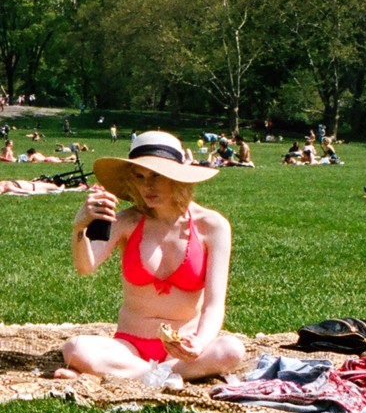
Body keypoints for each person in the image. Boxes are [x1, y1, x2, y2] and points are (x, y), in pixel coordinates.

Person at [56, 130, 244, 381]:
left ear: (176, 177)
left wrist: (199, 343)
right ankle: (162, 376)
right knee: (75, 347)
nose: (147, 186)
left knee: (231, 350)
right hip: (129, 346)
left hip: (183, 348)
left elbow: (214, 304)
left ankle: (136, 376)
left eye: (156, 176)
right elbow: (86, 267)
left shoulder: (212, 226)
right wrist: (80, 228)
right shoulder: (127, 221)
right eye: (140, 176)